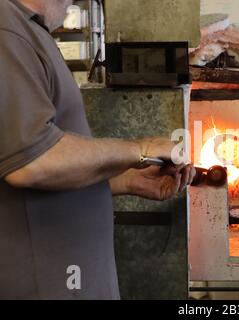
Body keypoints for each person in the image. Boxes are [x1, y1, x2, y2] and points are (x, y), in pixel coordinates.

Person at [0, 0, 196, 299]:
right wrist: (139, 148)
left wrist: (125, 178)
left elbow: (36, 161)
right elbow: (33, 162)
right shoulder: (7, 27)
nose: (73, 1)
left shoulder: (27, 30)